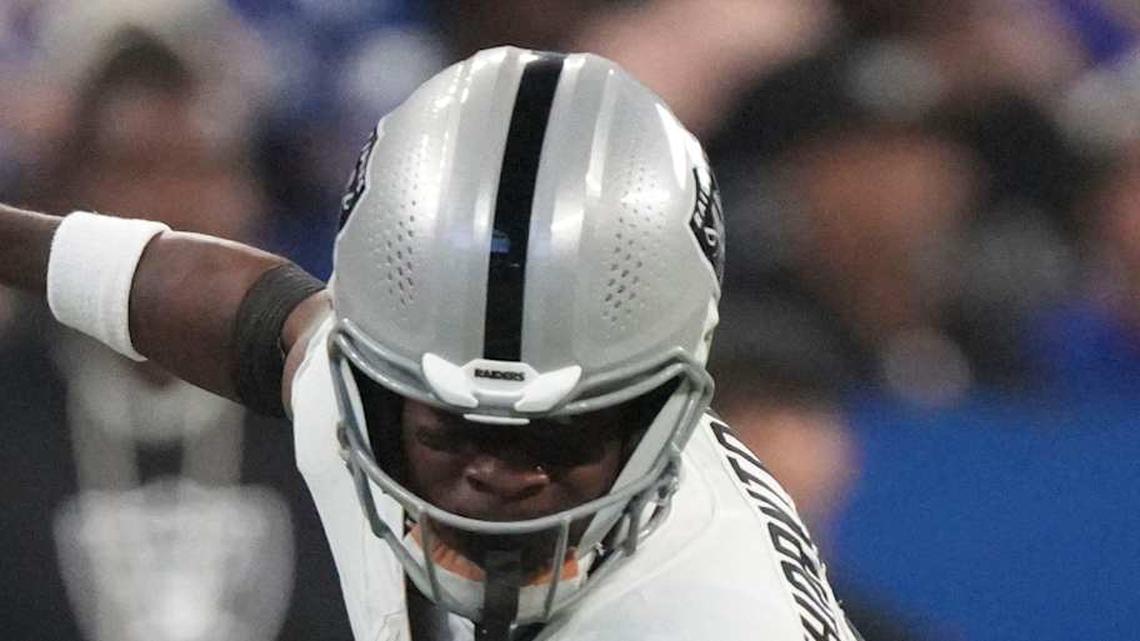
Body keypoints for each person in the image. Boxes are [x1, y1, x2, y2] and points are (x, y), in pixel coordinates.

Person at [1, 47, 862, 641]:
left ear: (657, 411)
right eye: (452, 428)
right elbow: (269, 322)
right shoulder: (369, 379)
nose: (497, 475)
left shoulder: (714, 615)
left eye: (559, 435)